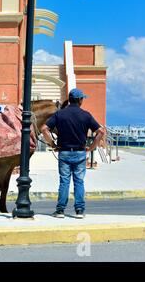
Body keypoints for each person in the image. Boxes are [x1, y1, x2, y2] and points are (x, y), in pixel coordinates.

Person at [41, 88, 105, 219]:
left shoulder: (60, 114)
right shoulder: (86, 115)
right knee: (79, 182)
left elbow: (44, 129)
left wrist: (52, 144)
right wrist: (92, 147)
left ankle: (60, 211)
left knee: (64, 182)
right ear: (80, 100)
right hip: (80, 153)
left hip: (64, 152)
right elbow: (101, 132)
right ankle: (79, 211)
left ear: (69, 100)